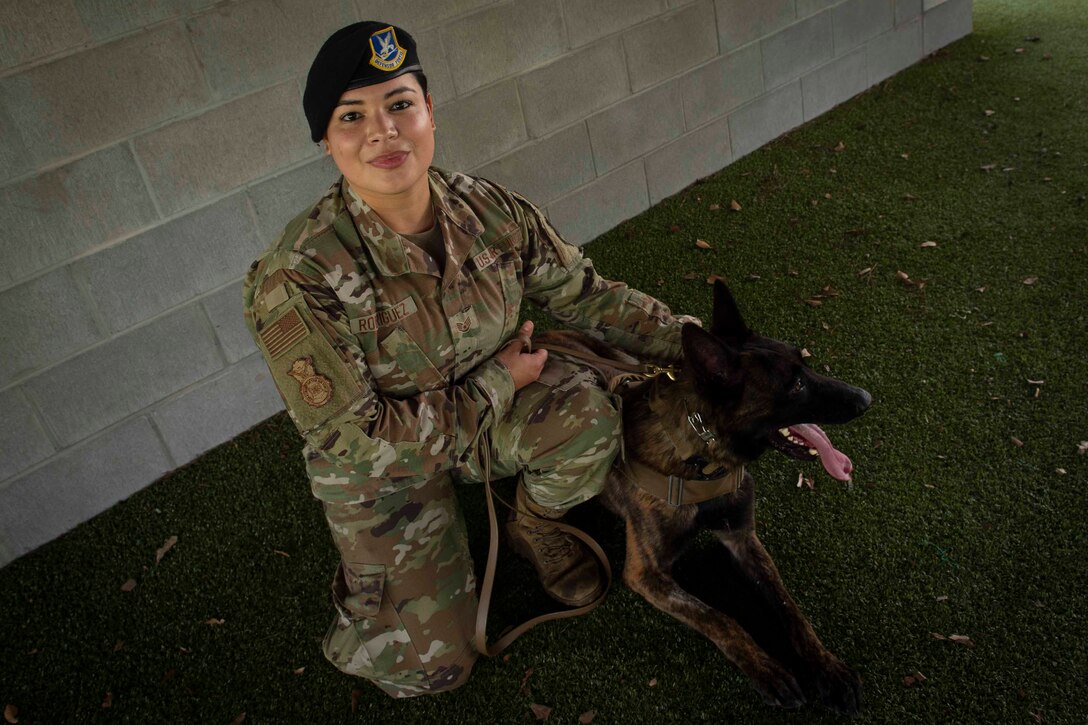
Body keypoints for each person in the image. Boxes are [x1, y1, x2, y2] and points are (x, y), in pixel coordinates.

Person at [242, 21, 692, 698]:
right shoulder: (299, 273)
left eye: (400, 104)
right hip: (387, 463)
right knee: (432, 671)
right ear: (327, 140)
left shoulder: (488, 210)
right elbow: (354, 436)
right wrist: (494, 383)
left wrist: (698, 344)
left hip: (496, 407)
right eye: (352, 116)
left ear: (429, 111)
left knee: (586, 419)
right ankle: (372, 592)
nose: (383, 132)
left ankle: (532, 524)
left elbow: (587, 294)